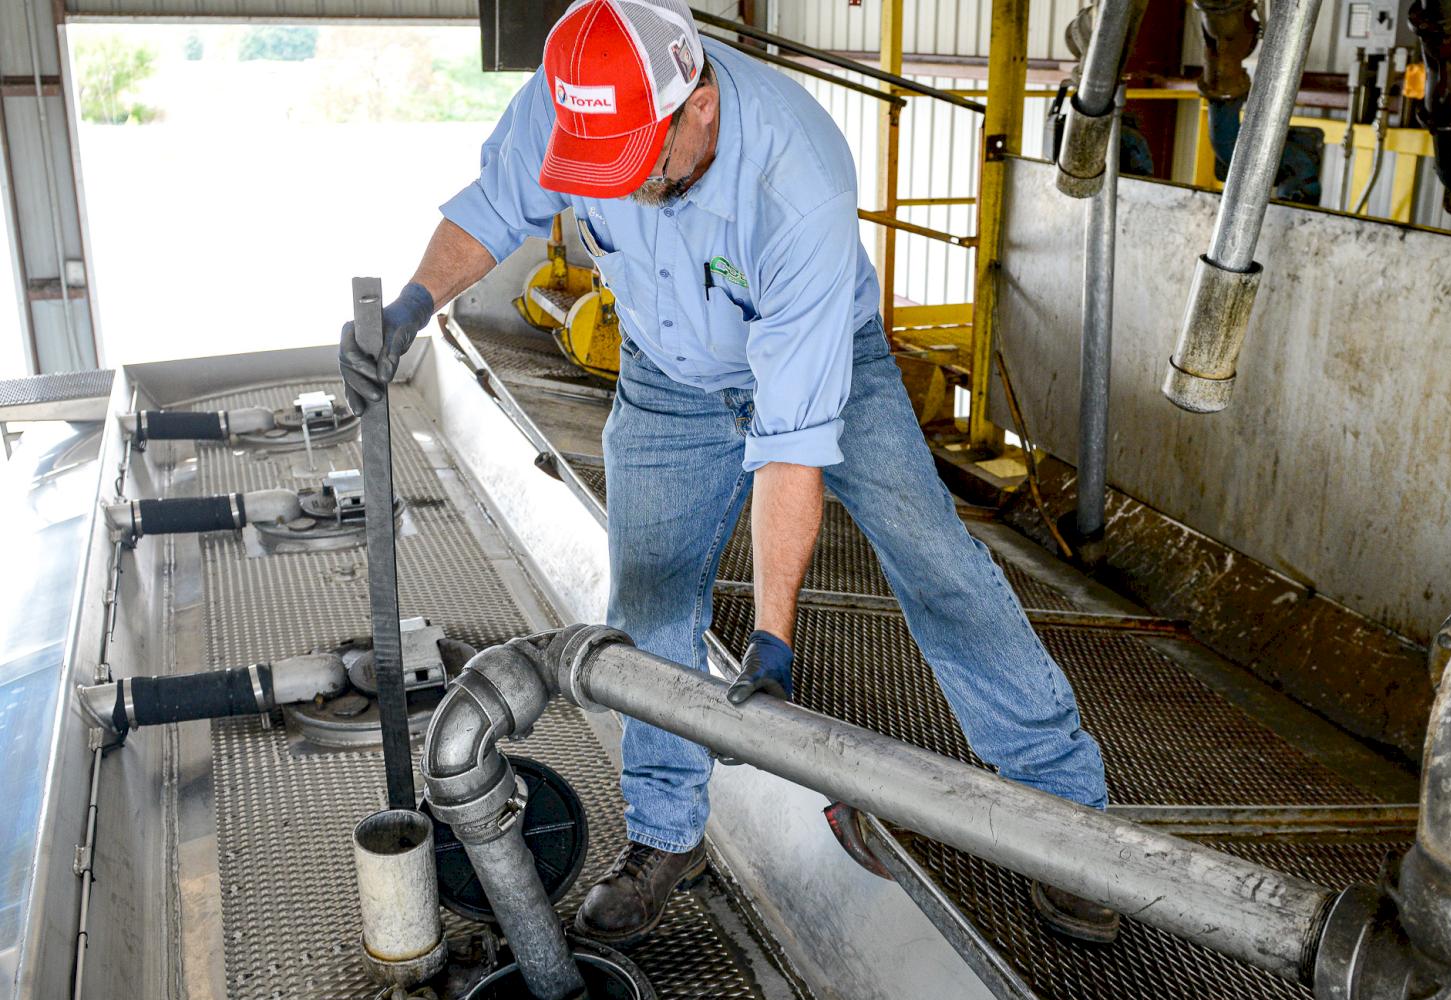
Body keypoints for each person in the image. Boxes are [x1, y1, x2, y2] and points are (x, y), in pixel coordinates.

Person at [337, 0, 1119, 945]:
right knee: (651, 600)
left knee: (939, 567)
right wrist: (412, 306)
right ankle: (669, 837)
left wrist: (774, 640)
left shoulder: (797, 179)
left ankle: (1070, 828)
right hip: (667, 376)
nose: (621, 185)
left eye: (640, 162)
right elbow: (491, 207)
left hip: (830, 363)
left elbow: (790, 441)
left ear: (698, 102)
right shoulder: (575, 101)